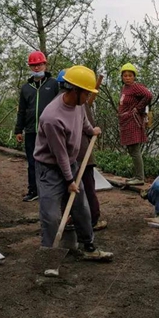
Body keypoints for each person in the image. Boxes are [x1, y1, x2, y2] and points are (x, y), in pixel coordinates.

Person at [34, 65, 113, 261]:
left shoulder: (78, 104)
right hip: (50, 169)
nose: (88, 98)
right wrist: (70, 180)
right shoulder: (52, 117)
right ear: (74, 90)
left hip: (71, 164)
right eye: (86, 93)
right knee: (51, 216)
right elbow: (59, 154)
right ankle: (48, 257)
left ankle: (88, 246)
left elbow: (83, 118)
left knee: (81, 208)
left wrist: (90, 130)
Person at [57, 70, 107, 231]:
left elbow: (88, 127)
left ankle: (90, 218)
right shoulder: (75, 103)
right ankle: (82, 218)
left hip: (81, 153)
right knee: (79, 186)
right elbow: (90, 127)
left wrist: (92, 130)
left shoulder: (73, 103)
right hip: (74, 154)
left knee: (82, 186)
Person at [15, 51, 59, 202]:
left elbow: (60, 106)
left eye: (39, 64)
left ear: (45, 65)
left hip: (49, 131)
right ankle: (33, 190)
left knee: (50, 161)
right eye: (33, 65)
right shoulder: (26, 88)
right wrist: (18, 130)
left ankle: (51, 190)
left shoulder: (54, 84)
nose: (36, 68)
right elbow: (21, 110)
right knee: (32, 162)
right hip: (31, 131)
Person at [118, 63, 152, 186]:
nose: (127, 78)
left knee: (135, 150)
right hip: (126, 121)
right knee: (131, 150)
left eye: (130, 75)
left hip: (133, 121)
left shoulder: (135, 87)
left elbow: (148, 95)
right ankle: (137, 175)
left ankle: (139, 177)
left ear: (134, 77)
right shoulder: (125, 88)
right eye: (125, 75)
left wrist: (138, 108)